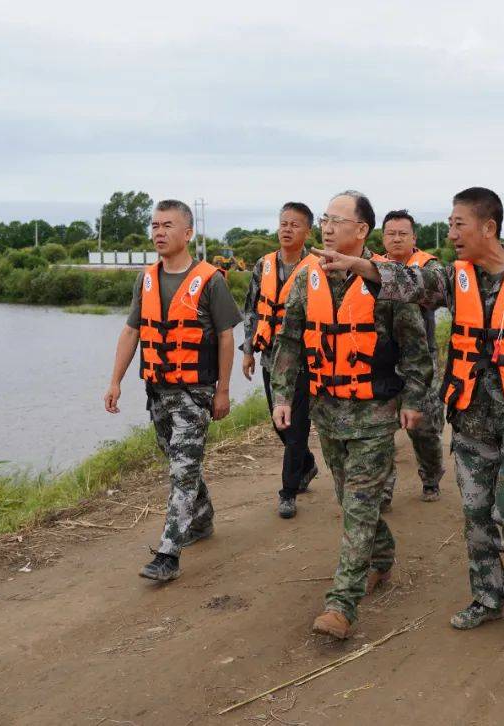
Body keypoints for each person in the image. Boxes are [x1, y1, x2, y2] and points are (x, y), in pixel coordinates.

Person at [313, 187, 504, 642]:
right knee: (476, 511)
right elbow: (408, 283)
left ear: (488, 227)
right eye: (448, 224)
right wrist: (361, 266)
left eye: (458, 224)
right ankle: (487, 597)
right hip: (471, 417)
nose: (450, 233)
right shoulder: (454, 276)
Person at [271, 190, 432, 640]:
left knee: (359, 507)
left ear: (362, 230)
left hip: (375, 414)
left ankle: (342, 604)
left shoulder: (388, 282)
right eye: (324, 219)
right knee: (348, 499)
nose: (326, 227)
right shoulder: (308, 277)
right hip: (327, 410)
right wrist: (283, 397)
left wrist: (415, 400)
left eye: (336, 220)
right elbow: (288, 341)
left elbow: (417, 351)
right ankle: (381, 556)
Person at [104, 199, 241, 583]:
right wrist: (115, 381)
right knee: (178, 461)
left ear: (187, 233)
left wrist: (223, 390)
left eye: (167, 225)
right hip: (157, 389)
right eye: (154, 225)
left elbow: (227, 338)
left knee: (182, 470)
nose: (158, 232)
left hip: (196, 390)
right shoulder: (146, 278)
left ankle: (168, 553)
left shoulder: (210, 279)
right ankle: (202, 517)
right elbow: (132, 331)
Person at [241, 203, 319, 519]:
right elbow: (251, 309)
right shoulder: (264, 265)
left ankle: (288, 491)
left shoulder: (316, 267)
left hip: (303, 360)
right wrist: (247, 350)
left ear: (307, 231)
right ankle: (308, 464)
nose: (287, 229)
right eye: (283, 223)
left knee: (296, 426)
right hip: (270, 356)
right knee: (279, 424)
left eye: (294, 225)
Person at [380, 209, 447, 505]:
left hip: (420, 359)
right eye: (391, 233)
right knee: (380, 428)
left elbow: (437, 295)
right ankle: (382, 488)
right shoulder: (370, 267)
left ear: (414, 238)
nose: (396, 239)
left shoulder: (428, 269)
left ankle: (431, 476)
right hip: (381, 360)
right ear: (382, 237)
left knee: (423, 427)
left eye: (402, 234)